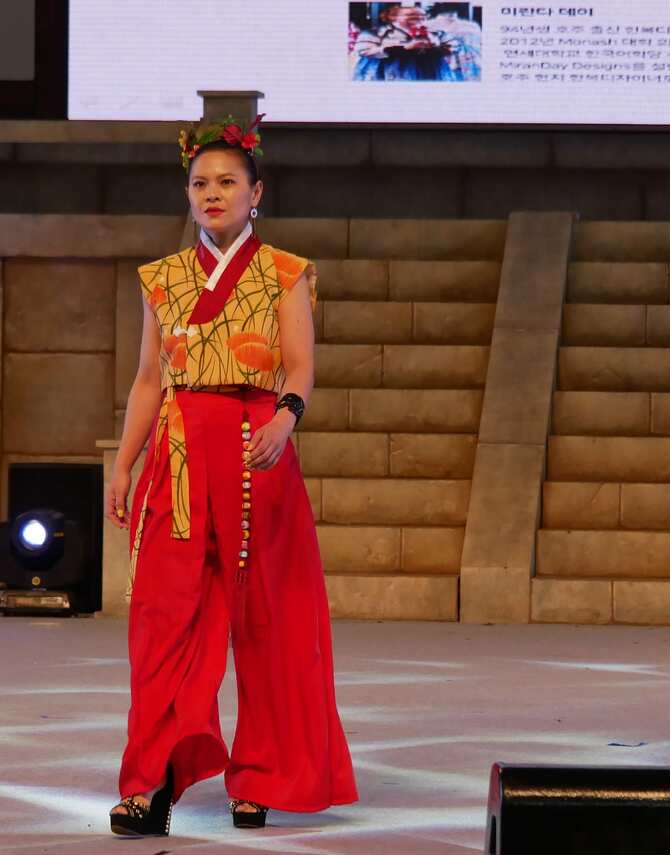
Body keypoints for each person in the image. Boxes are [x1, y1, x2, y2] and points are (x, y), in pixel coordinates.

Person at [105, 115, 358, 837]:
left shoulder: (285, 272)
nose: (212, 195)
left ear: (256, 193)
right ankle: (150, 778)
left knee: (269, 620)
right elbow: (149, 379)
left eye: (226, 183)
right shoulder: (163, 279)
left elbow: (302, 366)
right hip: (179, 459)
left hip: (258, 454)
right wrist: (124, 464)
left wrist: (287, 415)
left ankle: (264, 774)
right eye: (199, 184)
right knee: (164, 619)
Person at [353, 4, 444, 81]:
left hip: (425, 70)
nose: (419, 19)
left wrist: (434, 45)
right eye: (412, 16)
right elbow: (364, 51)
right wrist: (403, 48)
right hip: (387, 70)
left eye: (423, 16)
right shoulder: (376, 32)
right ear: (392, 17)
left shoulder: (434, 33)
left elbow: (450, 47)